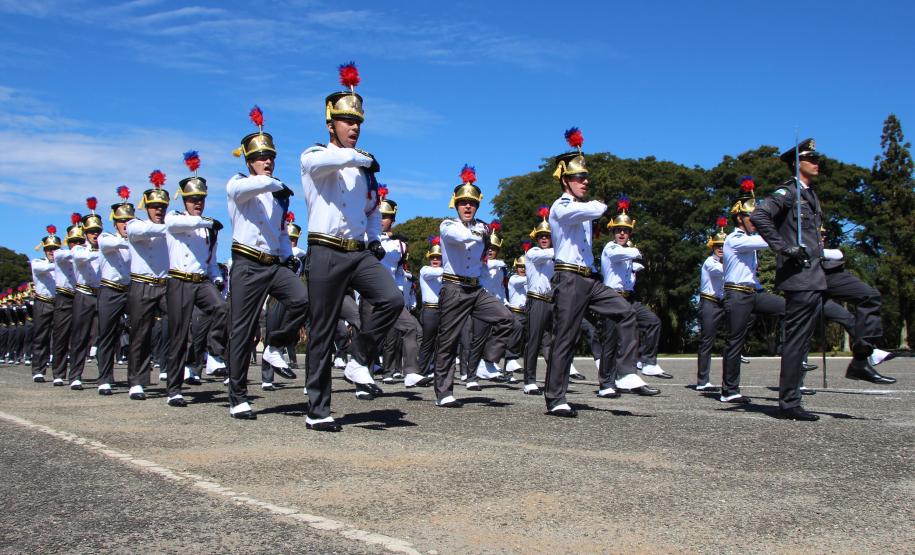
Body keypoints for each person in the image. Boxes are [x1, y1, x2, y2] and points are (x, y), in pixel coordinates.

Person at [752, 139, 895, 421]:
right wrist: (783, 248)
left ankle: (861, 357)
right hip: (801, 274)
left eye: (818, 159)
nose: (818, 163)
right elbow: (759, 215)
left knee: (869, 295)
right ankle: (789, 403)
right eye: (812, 159)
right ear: (797, 163)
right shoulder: (787, 192)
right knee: (798, 341)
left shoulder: (811, 195)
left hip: (823, 270)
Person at [299, 63, 403, 431]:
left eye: (357, 122)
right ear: (331, 125)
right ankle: (318, 410)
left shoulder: (364, 170)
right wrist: (363, 158)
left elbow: (372, 210)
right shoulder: (314, 156)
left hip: (358, 251)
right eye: (346, 121)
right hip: (325, 250)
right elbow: (331, 160)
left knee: (392, 300)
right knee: (322, 328)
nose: (354, 127)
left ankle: (359, 358)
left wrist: (374, 239)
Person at [545, 128, 639, 417]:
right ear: (565, 180)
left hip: (589, 278)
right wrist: (598, 205)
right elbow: (595, 209)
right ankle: (555, 398)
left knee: (625, 312)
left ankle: (625, 371)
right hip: (569, 278)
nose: (585, 181)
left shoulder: (581, 208)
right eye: (578, 177)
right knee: (566, 338)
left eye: (586, 177)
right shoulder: (561, 206)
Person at [225, 108, 309, 419]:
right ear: (249, 161)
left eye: (270, 156)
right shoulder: (238, 184)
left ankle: (275, 345)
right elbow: (245, 188)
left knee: (302, 299)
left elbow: (281, 233)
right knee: (242, 330)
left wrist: (289, 258)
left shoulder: (278, 195)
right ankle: (238, 397)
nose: (267, 161)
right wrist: (273, 183)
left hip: (273, 264)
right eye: (261, 157)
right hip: (247, 263)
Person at [432, 165, 514, 407]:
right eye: (463, 203)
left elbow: (483, 258)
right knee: (448, 341)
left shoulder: (483, 227)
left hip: (476, 289)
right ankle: (444, 393)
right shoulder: (447, 225)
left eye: (472, 203)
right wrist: (479, 235)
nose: (468, 207)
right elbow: (457, 237)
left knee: (507, 319)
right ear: (456, 205)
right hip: (454, 288)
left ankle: (487, 361)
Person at [163, 152, 227, 408]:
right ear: (184, 201)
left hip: (201, 281)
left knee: (221, 308)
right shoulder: (175, 218)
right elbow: (179, 224)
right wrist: (206, 222)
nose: (197, 203)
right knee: (179, 336)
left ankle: (214, 354)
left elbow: (210, 259)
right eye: (192, 199)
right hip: (179, 280)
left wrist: (217, 277)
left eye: (201, 199)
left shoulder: (208, 229)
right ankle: (174, 389)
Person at [720, 178, 785, 404]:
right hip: (737, 294)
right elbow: (769, 241)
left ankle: (786, 348)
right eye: (752, 217)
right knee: (735, 341)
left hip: (753, 292)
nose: (756, 222)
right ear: (740, 218)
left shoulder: (749, 239)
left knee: (789, 308)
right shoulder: (735, 239)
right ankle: (729, 390)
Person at [599, 198, 669, 399]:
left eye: (626, 231)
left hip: (629, 299)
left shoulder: (627, 255)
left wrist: (635, 268)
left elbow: (631, 272)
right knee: (611, 342)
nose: (622, 233)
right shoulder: (611, 248)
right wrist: (635, 253)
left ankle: (646, 362)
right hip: (612, 299)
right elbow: (625, 255)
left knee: (652, 321)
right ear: (613, 232)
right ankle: (606, 384)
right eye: (619, 230)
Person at [374, 189, 428, 388]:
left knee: (411, 327)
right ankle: (362, 373)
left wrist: (399, 294)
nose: (381, 220)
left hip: (391, 295)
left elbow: (398, 272)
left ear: (392, 219)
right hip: (369, 294)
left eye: (385, 216)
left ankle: (411, 371)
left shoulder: (400, 244)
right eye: (378, 215)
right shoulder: (364, 237)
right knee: (366, 336)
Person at [125, 171, 171, 401]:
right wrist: (174, 227)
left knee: (179, 326)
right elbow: (141, 231)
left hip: (166, 285)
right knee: (140, 334)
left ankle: (173, 373)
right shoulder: (136, 224)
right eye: (154, 206)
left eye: (162, 206)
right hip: (141, 284)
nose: (158, 210)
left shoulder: (172, 225)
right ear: (146, 207)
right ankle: (137, 381)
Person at [95, 187, 133, 395]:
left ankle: (135, 378)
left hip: (129, 290)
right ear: (115, 223)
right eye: (122, 221)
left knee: (139, 331)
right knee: (107, 334)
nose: (126, 224)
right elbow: (116, 243)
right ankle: (104, 378)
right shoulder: (105, 237)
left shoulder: (134, 240)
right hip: (109, 290)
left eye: (129, 220)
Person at [67, 201, 103, 390]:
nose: (95, 234)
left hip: (101, 294)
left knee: (105, 335)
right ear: (85, 233)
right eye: (91, 231)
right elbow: (82, 257)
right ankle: (75, 375)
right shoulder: (79, 249)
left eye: (97, 231)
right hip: (84, 294)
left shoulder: (105, 246)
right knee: (80, 336)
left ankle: (105, 376)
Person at [522, 209, 555, 395]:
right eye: (541, 236)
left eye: (547, 236)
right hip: (536, 300)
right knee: (533, 341)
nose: (544, 238)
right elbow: (545, 255)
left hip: (551, 302)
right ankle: (529, 381)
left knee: (550, 342)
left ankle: (553, 378)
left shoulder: (553, 257)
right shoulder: (533, 252)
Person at [49, 216, 84, 386]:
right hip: (63, 297)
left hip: (79, 295)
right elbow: (68, 255)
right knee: (61, 336)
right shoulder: (61, 253)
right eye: (73, 241)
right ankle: (58, 372)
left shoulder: (84, 254)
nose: (77, 244)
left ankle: (76, 375)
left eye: (80, 241)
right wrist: (81, 249)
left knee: (79, 336)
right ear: (68, 242)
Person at [695, 217, 727, 391]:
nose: (721, 249)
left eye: (724, 246)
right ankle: (702, 381)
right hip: (709, 302)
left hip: (723, 302)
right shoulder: (710, 262)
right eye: (718, 246)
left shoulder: (726, 262)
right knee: (707, 341)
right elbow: (719, 272)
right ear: (713, 247)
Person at [29, 225, 61, 382]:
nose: (52, 251)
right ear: (44, 250)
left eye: (55, 248)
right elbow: (45, 268)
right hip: (43, 302)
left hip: (59, 302)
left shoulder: (63, 263)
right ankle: (38, 370)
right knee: (41, 336)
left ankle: (58, 373)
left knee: (59, 338)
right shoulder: (38, 262)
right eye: (49, 249)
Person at [418, 237, 444, 376]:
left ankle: (434, 368)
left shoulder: (443, 273)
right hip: (429, 310)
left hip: (442, 310)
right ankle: (422, 371)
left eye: (438, 257)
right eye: (433, 257)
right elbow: (434, 273)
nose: (435, 259)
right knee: (427, 341)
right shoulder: (425, 269)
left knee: (439, 342)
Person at [504, 253, 528, 381]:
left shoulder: (529, 280)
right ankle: (508, 372)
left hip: (528, 314)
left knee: (527, 344)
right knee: (513, 341)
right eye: (520, 266)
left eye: (525, 266)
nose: (522, 269)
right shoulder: (514, 278)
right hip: (516, 313)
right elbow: (524, 281)